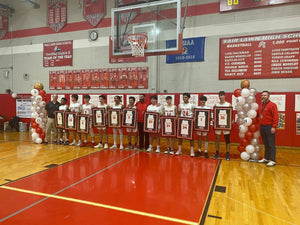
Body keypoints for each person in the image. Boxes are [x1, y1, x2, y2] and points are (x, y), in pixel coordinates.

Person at [258, 91, 279, 167]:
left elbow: (276, 117)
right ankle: (266, 158)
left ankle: (272, 160)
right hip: (262, 127)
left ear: (268, 96)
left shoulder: (272, 105)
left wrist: (273, 127)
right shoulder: (261, 105)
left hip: (269, 127)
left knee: (271, 144)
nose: (263, 96)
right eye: (262, 95)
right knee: (266, 144)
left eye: (265, 95)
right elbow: (258, 115)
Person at [213, 91, 231, 161]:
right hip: (218, 124)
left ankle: (227, 153)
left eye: (222, 95)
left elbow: (230, 115)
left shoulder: (228, 105)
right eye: (219, 95)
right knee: (217, 139)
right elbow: (214, 115)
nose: (220, 97)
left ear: (224, 96)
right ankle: (217, 153)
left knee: (227, 139)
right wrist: (214, 120)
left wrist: (230, 122)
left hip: (226, 125)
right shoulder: (216, 105)